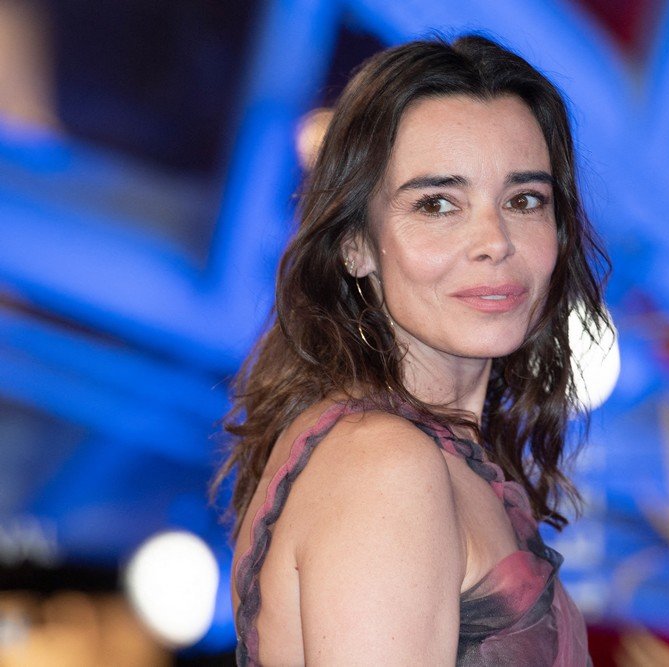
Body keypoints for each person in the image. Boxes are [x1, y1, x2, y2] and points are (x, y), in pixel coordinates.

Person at [216, 34, 609, 666]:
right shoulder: (385, 466)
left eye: (524, 200)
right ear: (355, 246)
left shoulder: (430, 456)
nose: (495, 241)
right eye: (438, 204)